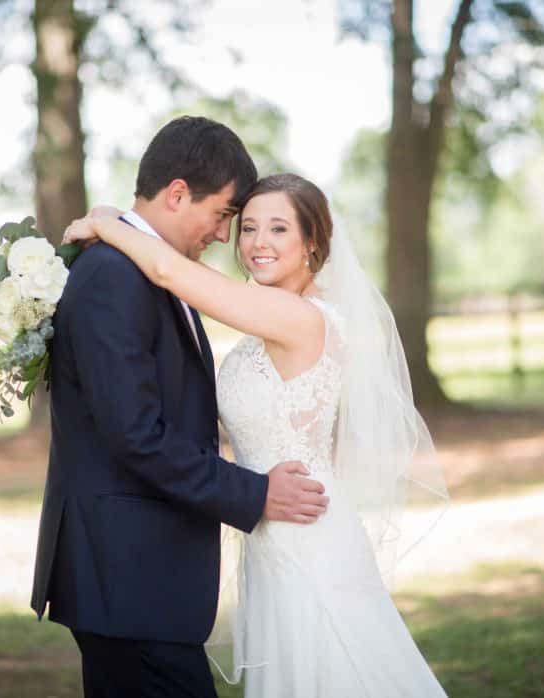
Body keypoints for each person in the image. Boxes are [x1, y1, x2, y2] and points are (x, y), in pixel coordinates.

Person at [65, 172, 450, 696]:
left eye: (278, 229)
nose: (258, 243)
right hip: (271, 533)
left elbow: (164, 268)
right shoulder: (266, 321)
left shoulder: (300, 317)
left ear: (312, 242)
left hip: (306, 534)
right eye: (247, 228)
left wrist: (104, 223)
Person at [30, 117, 330, 698]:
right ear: (175, 194)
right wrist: (256, 492)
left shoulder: (144, 270)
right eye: (225, 215)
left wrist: (109, 221)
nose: (226, 236)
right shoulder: (114, 276)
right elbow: (137, 434)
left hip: (146, 579)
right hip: (126, 576)